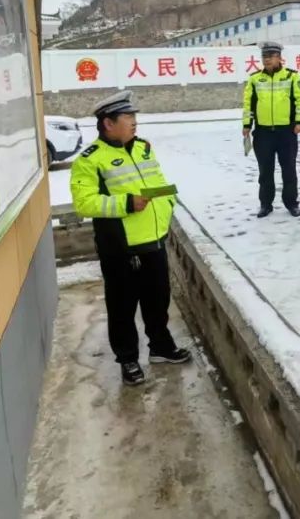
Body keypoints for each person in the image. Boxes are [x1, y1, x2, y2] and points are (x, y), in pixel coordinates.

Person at [70, 91, 190, 386]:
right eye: (128, 118)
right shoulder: (90, 160)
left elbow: (157, 181)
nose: (135, 123)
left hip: (154, 239)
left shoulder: (143, 148)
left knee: (158, 299)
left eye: (134, 117)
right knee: (122, 306)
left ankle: (161, 347)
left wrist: (167, 204)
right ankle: (128, 359)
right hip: (121, 247)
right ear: (108, 123)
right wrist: (125, 204)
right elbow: (84, 203)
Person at [242, 42, 300, 218]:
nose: (267, 59)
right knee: (265, 171)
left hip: (286, 132)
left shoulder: (291, 77)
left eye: (271, 56)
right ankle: (265, 204)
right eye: (264, 56)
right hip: (263, 133)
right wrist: (247, 125)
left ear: (279, 57)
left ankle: (291, 203)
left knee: (289, 169)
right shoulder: (255, 78)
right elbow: (249, 103)